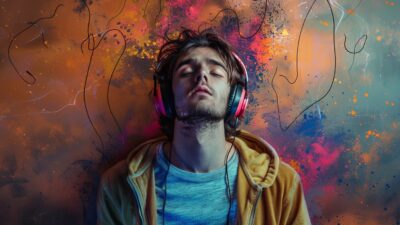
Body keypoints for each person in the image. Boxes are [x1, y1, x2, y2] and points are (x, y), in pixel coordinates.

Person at [97, 28, 312, 225]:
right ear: (166, 97)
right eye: (186, 72)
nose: (201, 75)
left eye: (216, 72)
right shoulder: (118, 185)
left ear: (236, 98)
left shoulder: (281, 185)